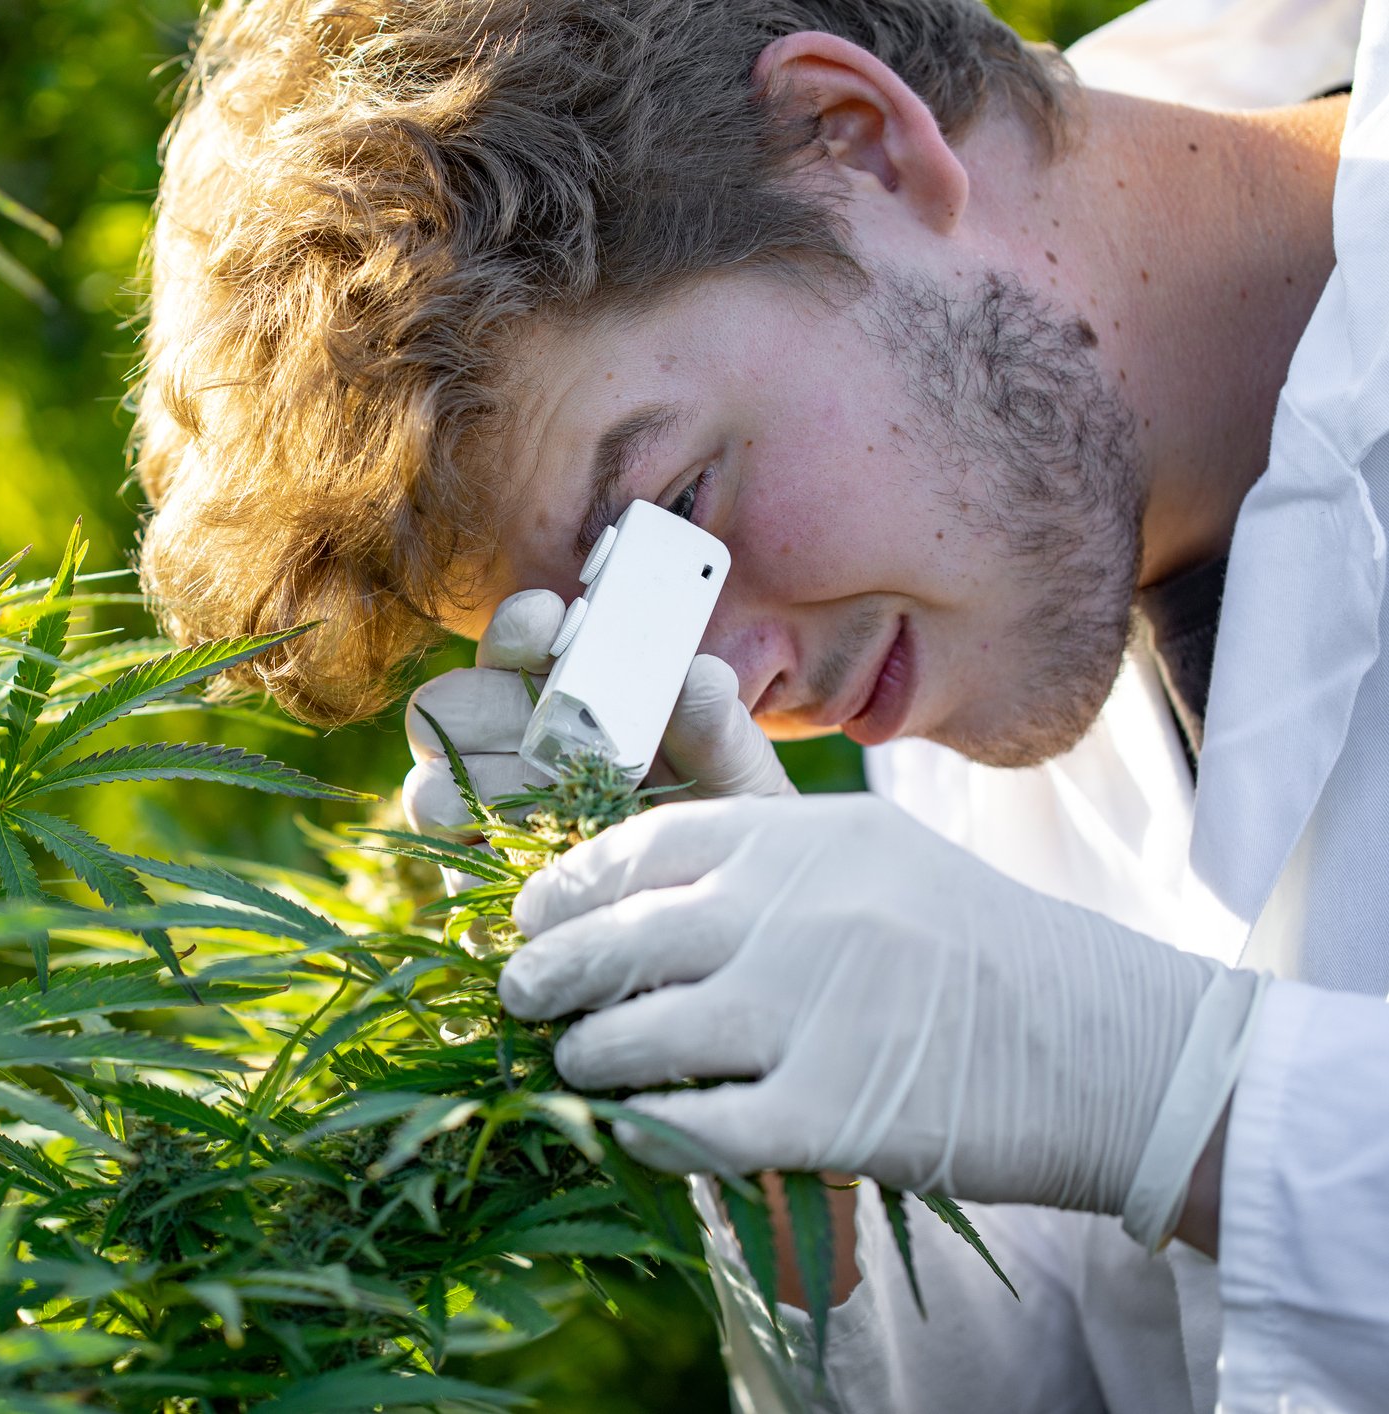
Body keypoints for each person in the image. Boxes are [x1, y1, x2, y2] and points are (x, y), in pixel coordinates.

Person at [128, 0, 1389, 1407]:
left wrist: (1177, 1100)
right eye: (638, 629)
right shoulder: (980, 629)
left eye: (676, 510)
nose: (742, 679)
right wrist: (793, 1161)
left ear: (846, 140)